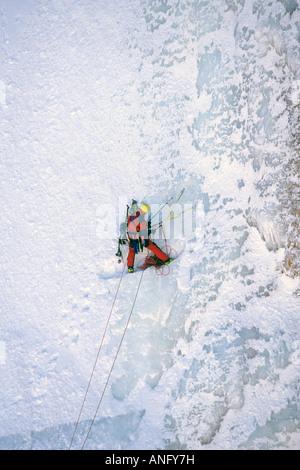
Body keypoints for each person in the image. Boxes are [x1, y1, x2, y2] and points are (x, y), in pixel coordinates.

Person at [127, 203, 172, 273]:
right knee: (152, 246)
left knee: (131, 251)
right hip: (138, 237)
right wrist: (146, 241)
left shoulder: (131, 215)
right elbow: (144, 233)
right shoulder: (142, 220)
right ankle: (166, 260)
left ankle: (130, 268)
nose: (145, 214)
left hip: (131, 237)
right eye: (145, 213)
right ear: (144, 212)